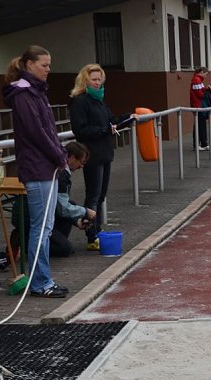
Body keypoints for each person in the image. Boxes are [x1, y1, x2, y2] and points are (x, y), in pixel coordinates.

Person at [3, 45, 69, 298]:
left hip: (46, 167)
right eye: (44, 65)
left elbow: (48, 129)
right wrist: (58, 155)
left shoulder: (36, 92)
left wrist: (58, 154)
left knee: (46, 226)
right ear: (29, 64)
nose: (48, 69)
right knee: (40, 228)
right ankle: (40, 282)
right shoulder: (24, 94)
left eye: (49, 65)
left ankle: (43, 279)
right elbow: (36, 131)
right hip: (38, 168)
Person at [69, 63, 132, 251]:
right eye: (94, 80)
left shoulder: (100, 100)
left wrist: (124, 119)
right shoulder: (80, 101)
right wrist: (104, 130)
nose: (97, 83)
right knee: (93, 195)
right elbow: (80, 130)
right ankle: (92, 235)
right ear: (85, 81)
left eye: (99, 80)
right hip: (92, 154)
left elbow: (110, 120)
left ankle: (98, 230)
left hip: (105, 152)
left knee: (101, 194)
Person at [13, 142, 96, 257]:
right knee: (65, 249)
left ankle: (51, 240)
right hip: (31, 217)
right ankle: (26, 242)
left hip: (39, 211)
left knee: (70, 204)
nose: (82, 166)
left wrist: (76, 221)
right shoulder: (61, 174)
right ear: (71, 158)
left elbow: (60, 204)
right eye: (81, 162)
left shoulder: (60, 170)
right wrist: (85, 212)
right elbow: (62, 208)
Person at [189, 66, 211, 151]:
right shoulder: (197, 80)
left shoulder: (198, 79)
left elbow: (200, 90)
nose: (206, 76)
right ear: (202, 72)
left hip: (198, 105)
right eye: (206, 74)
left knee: (201, 125)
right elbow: (199, 94)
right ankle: (198, 144)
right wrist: (206, 93)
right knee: (199, 125)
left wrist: (205, 89)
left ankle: (203, 143)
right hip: (198, 105)